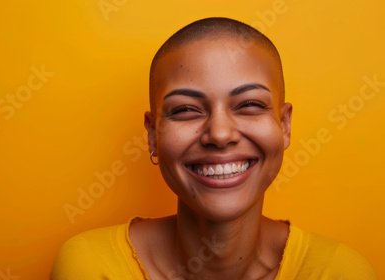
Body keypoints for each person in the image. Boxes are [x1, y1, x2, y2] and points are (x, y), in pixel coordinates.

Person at [51, 17, 377, 280]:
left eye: (249, 104)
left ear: (284, 125)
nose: (219, 134)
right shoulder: (91, 267)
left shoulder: (339, 272)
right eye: (186, 109)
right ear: (152, 135)